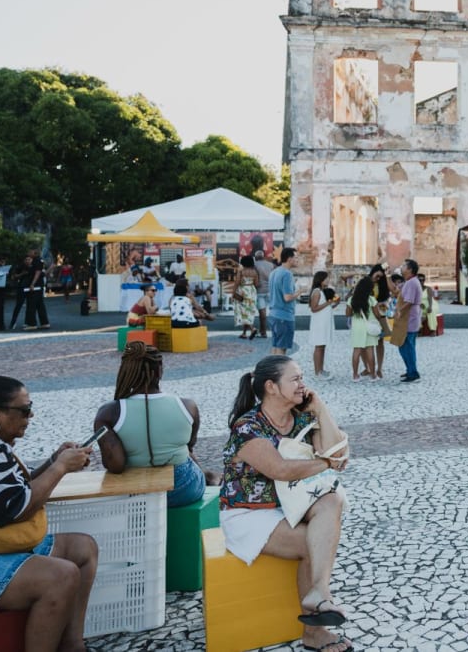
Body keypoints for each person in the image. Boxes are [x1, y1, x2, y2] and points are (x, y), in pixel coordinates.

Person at [0, 376, 98, 652]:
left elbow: (14, 491)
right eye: (25, 410)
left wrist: (54, 460)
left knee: (82, 548)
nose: (31, 417)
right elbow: (16, 510)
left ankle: (72, 646)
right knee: (61, 575)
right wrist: (60, 468)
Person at [220, 356, 351, 652]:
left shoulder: (301, 418)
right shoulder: (248, 426)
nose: (303, 384)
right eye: (295, 379)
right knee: (313, 544)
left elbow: (339, 453)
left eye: (302, 377)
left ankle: (319, 592)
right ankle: (314, 631)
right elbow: (279, 469)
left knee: (332, 499)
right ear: (271, 387)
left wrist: (320, 409)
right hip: (248, 514)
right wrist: (325, 463)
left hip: (290, 503)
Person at [92, 342, 213, 507]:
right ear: (160, 370)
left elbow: (116, 465)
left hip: (136, 492)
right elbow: (189, 447)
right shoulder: (187, 406)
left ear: (125, 371)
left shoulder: (109, 413)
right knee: (187, 456)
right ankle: (210, 478)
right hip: (185, 489)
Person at [346, 275, 380, 382]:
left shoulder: (351, 299)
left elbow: (348, 314)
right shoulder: (371, 299)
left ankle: (355, 375)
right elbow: (377, 314)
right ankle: (373, 375)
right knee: (370, 350)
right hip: (369, 326)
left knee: (356, 350)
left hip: (357, 327)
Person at [395, 260, 423, 383]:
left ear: (410, 269)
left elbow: (409, 301)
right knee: (405, 346)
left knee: (407, 346)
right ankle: (410, 369)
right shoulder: (409, 282)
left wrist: (399, 310)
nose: (401, 267)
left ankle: (413, 372)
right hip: (409, 318)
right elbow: (396, 290)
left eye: (404, 266)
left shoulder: (412, 283)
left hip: (409, 319)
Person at [307, 271, 338, 380]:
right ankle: (317, 372)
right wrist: (328, 303)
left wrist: (334, 304)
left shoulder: (322, 291)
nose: (328, 280)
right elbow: (314, 308)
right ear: (320, 280)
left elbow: (326, 307)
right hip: (319, 324)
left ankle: (321, 369)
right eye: (326, 278)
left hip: (324, 323)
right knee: (319, 346)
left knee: (322, 346)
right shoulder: (317, 292)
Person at [269, 248, 298, 355]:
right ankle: (280, 366)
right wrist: (299, 292)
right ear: (289, 259)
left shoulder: (274, 272)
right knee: (282, 349)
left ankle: (273, 366)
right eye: (296, 258)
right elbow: (287, 297)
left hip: (273, 314)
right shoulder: (287, 274)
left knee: (275, 346)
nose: (297, 260)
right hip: (284, 316)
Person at [368, 264, 391, 379]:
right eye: (377, 276)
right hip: (368, 315)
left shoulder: (383, 284)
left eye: (380, 277)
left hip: (380, 315)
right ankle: (368, 368)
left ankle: (379, 368)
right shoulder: (366, 282)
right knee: (367, 343)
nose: (378, 278)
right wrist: (372, 278)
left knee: (380, 342)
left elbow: (387, 298)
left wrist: (383, 304)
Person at [233, 255, 260, 340]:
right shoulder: (255, 272)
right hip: (252, 291)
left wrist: (233, 292)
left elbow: (237, 282)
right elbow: (257, 284)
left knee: (243, 312)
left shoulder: (241, 271)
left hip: (243, 291)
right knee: (249, 311)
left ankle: (252, 329)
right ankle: (244, 333)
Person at [23, 250, 50, 331]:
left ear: (33, 251)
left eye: (29, 251)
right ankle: (44, 323)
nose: (28, 253)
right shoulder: (39, 260)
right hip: (39, 285)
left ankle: (32, 323)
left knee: (31, 304)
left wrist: (32, 284)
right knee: (40, 305)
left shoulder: (36, 261)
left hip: (35, 286)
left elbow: (37, 273)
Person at [254, 250, 275, 339]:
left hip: (260, 291)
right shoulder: (271, 265)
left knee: (262, 314)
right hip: (270, 291)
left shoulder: (254, 265)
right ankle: (274, 331)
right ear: (263, 256)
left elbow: (254, 278)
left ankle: (263, 332)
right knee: (273, 312)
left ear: (256, 257)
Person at [8, 255, 32, 330]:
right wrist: (22, 274)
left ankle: (27, 322)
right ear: (24, 260)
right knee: (18, 305)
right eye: (26, 259)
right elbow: (13, 276)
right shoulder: (20, 267)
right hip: (22, 287)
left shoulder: (33, 267)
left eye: (29, 259)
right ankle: (13, 322)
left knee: (30, 306)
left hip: (31, 288)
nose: (28, 261)